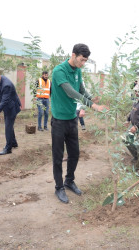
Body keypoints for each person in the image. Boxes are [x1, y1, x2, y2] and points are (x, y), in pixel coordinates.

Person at [51, 43, 107, 204]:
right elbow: (70, 92)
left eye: (85, 61)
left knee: (74, 154)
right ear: (73, 55)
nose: (83, 64)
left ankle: (69, 181)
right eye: (81, 60)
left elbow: (81, 90)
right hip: (59, 121)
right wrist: (93, 106)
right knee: (58, 156)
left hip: (71, 119)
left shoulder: (78, 71)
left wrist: (91, 98)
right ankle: (59, 187)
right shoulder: (59, 71)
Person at [0, 70, 22, 155]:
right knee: (9, 125)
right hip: (8, 107)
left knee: (8, 127)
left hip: (12, 108)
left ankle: (8, 148)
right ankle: (14, 143)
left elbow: (4, 101)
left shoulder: (6, 85)